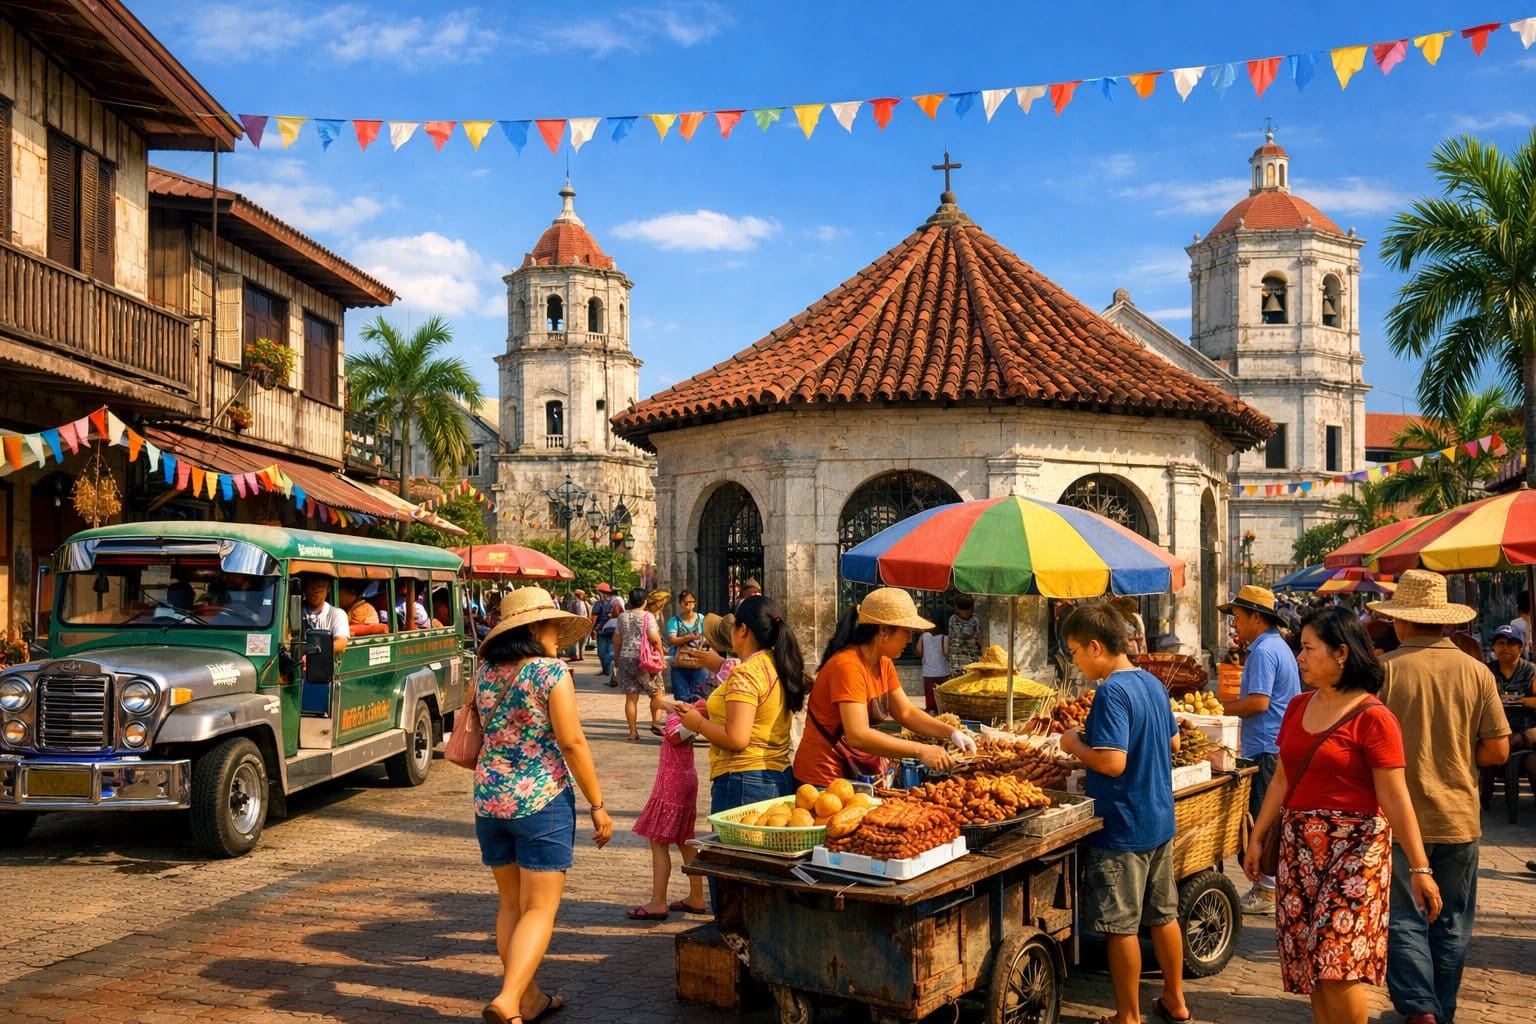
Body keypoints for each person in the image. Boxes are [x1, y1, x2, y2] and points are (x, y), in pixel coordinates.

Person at [1242, 606, 1441, 1024]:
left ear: (1341, 654)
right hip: (1299, 850)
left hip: (1356, 852)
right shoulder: (1297, 706)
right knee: (1311, 964)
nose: (1300, 657)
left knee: (1336, 961)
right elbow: (1281, 779)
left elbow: (1396, 797)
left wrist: (1420, 868)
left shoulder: (1374, 718)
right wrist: (1258, 835)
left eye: (1309, 649)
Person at [1370, 571, 1510, 1024]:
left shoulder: (1385, 672)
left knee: (1403, 917)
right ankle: (1440, 1009)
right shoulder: (1477, 672)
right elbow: (1497, 750)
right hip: (1458, 817)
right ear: (1445, 622)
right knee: (1450, 920)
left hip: (1396, 819)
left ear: (1402, 622)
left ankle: (1419, 1008)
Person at [470, 589, 609, 1024]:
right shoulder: (550, 673)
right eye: (551, 625)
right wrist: (598, 805)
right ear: (532, 628)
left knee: (510, 905)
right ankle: (509, 998)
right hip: (540, 800)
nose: (557, 634)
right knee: (540, 909)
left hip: (489, 802)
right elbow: (571, 742)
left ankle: (529, 999)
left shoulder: (485, 672)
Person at [1056, 602, 1189, 1024]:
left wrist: (1073, 743)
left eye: (1075, 652)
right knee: (1164, 916)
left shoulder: (1112, 690)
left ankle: (1127, 1016)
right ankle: (1176, 1000)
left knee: (1122, 926)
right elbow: (1175, 746)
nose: (1075, 662)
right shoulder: (1150, 682)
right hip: (1158, 817)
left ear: (1095, 647)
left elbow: (1113, 763)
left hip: (1123, 824)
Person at [792, 588, 972, 787]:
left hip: (855, 774)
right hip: (823, 778)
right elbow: (858, 735)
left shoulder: (883, 663)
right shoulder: (848, 666)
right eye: (906, 632)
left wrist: (951, 732)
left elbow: (906, 713)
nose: (909, 639)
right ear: (883, 631)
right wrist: (921, 750)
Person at [675, 594, 808, 815]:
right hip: (775, 775)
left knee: (734, 849)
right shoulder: (774, 663)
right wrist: (709, 711)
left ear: (743, 629)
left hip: (744, 779)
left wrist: (697, 723)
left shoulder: (745, 673)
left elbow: (736, 738)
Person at [1218, 585, 1301, 916]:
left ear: (1256, 617)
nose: (1234, 624)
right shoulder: (1273, 646)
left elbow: (1258, 702)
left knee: (1260, 820)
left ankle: (1266, 889)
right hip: (1271, 743)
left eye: (1237, 617)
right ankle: (1267, 885)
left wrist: (1221, 709)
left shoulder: (1265, 651)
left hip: (1267, 747)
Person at [626, 699, 707, 922]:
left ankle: (657, 902)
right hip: (688, 780)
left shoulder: (684, 723)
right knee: (685, 839)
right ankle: (696, 897)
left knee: (659, 841)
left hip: (672, 784)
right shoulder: (695, 722)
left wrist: (678, 713)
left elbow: (674, 735)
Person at [614, 588, 666, 741]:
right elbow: (654, 639)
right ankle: (656, 723)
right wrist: (661, 656)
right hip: (644, 661)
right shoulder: (647, 616)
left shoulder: (622, 617)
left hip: (625, 658)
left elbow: (616, 639)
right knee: (656, 692)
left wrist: (617, 658)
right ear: (644, 601)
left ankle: (632, 732)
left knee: (631, 697)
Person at [665, 591, 709, 702]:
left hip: (699, 663)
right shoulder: (674, 621)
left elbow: (709, 636)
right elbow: (671, 640)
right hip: (680, 664)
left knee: (699, 697)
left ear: (695, 603)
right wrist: (688, 638)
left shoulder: (702, 619)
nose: (688, 605)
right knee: (681, 697)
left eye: (691, 602)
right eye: (685, 602)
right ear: (680, 603)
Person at [299, 574, 349, 655]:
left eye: (320, 588)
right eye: (311, 586)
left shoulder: (337, 614)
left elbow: (341, 643)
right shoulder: (295, 610)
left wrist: (312, 653)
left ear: (328, 589)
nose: (315, 592)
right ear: (304, 588)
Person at [1486, 624, 1534, 698]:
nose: (1505, 647)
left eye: (1510, 643)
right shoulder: (1486, 670)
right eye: (1501, 643)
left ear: (1520, 648)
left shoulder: (1531, 670)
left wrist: (1522, 702)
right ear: (1494, 647)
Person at [915, 616, 949, 713]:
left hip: (928, 672)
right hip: (943, 672)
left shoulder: (924, 637)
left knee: (930, 696)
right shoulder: (945, 638)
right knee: (942, 695)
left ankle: (931, 710)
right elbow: (947, 654)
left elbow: (918, 651)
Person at [946, 595, 982, 676]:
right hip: (970, 660)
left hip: (958, 660)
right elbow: (978, 637)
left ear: (957, 608)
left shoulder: (953, 619)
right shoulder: (976, 620)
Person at [594, 583, 622, 681]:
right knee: (606, 652)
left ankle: (611, 675)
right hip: (606, 628)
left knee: (609, 652)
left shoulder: (615, 601)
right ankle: (608, 672)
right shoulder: (611, 601)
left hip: (608, 629)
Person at [562, 590, 589, 661]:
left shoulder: (579, 602)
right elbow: (579, 614)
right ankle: (577, 655)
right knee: (579, 640)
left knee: (581, 640)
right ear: (580, 595)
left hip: (581, 622)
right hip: (580, 623)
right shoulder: (578, 602)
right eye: (584, 594)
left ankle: (580, 655)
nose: (585, 595)